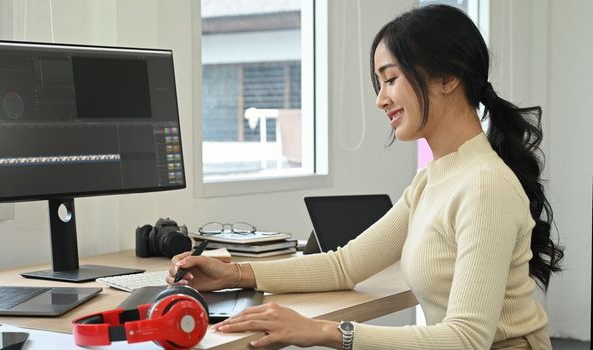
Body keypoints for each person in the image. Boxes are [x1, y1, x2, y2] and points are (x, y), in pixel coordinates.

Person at [167, 5, 563, 350]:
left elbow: (465, 339)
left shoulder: (484, 186)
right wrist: (235, 273)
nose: (380, 99)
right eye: (380, 83)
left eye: (390, 79)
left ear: (447, 78)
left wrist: (324, 332)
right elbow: (346, 265)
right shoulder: (434, 179)